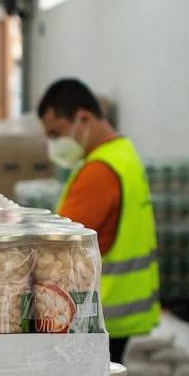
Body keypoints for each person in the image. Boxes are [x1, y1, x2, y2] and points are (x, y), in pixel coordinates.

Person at [38, 78, 160, 361]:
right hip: (124, 311)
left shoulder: (99, 171)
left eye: (56, 134)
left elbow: (60, 249)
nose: (54, 145)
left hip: (100, 312)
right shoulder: (124, 154)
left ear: (83, 118)